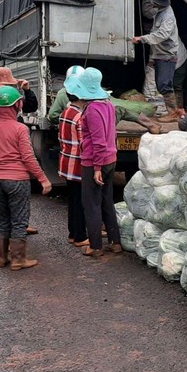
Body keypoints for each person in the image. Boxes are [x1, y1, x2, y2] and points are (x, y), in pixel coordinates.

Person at [0, 85, 52, 271]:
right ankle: (18, 259)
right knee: (19, 220)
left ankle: (2, 258)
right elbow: (27, 157)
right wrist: (43, 178)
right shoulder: (20, 128)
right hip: (16, 180)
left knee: (2, 219)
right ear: (17, 104)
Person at [0, 67, 39, 251]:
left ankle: (4, 246)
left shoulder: (2, 100)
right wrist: (41, 177)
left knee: (3, 208)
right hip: (8, 167)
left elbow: (31, 107)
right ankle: (7, 245)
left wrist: (27, 91)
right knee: (4, 209)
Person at [67, 67, 122, 257]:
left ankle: (96, 246)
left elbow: (98, 141)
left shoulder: (92, 110)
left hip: (94, 162)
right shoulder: (108, 105)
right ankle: (115, 242)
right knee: (107, 200)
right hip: (110, 159)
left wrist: (96, 168)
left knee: (91, 203)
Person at [49, 65, 162, 134]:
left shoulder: (62, 93)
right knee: (120, 110)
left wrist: (68, 121)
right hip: (97, 126)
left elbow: (53, 115)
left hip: (82, 128)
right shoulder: (92, 92)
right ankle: (151, 124)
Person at [132, 0, 181, 123]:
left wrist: (142, 39)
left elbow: (161, 35)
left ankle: (173, 113)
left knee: (165, 84)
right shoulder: (160, 12)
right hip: (160, 54)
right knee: (161, 85)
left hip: (167, 55)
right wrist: (153, 58)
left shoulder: (167, 17)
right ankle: (172, 111)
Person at [57, 76, 88, 248]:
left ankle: (72, 233)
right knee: (81, 202)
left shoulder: (65, 113)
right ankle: (80, 236)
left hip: (67, 162)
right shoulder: (80, 117)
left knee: (73, 200)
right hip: (78, 165)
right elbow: (84, 143)